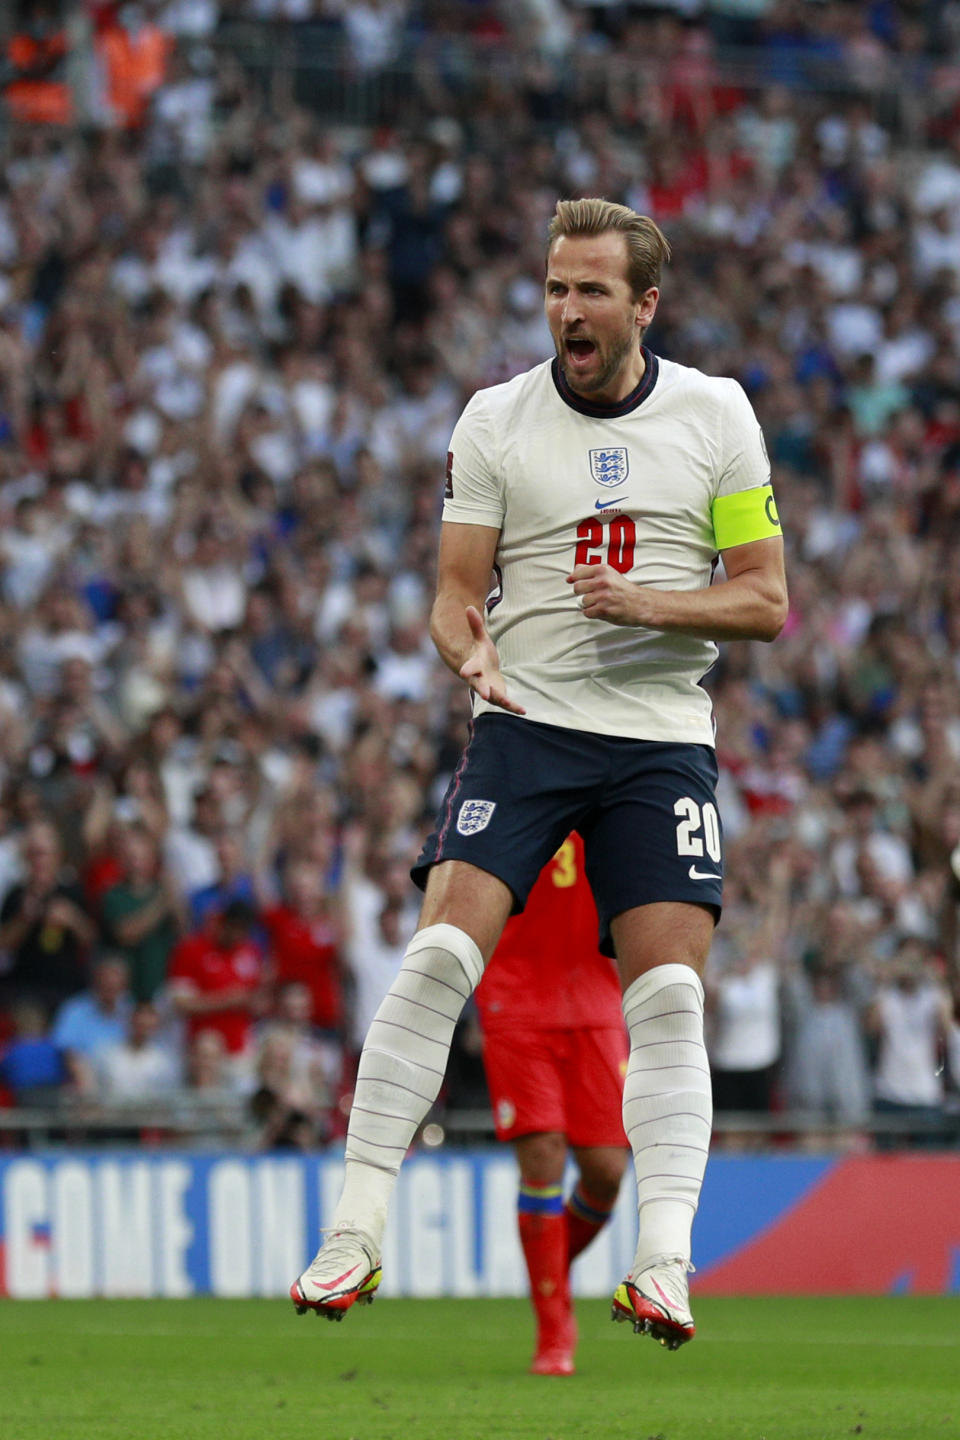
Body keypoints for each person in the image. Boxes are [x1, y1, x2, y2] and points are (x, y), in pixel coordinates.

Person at [290, 197, 787, 1349]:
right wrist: (466, 646)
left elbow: (764, 598)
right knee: (436, 958)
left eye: (592, 290)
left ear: (644, 305)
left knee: (667, 998)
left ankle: (664, 1260)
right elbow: (455, 592)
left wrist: (650, 601)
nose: (567, 308)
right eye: (557, 287)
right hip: (528, 725)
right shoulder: (495, 421)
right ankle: (356, 1227)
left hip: (659, 736)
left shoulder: (716, 414)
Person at [474, 832, 628, 1376]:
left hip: (595, 996)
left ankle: (547, 1268)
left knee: (607, 1172)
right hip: (517, 998)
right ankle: (554, 1331)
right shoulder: (506, 784)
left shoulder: (615, 786)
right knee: (544, 1156)